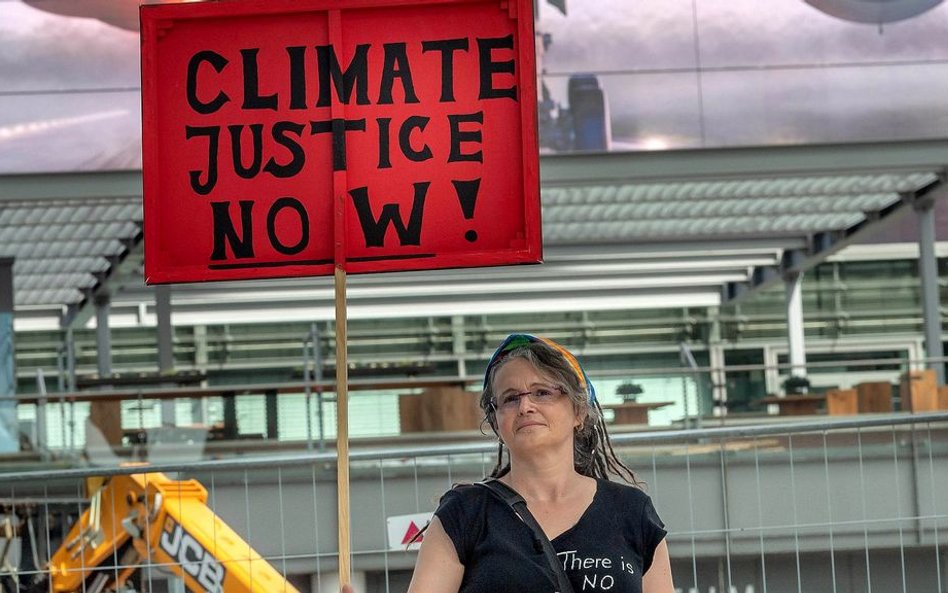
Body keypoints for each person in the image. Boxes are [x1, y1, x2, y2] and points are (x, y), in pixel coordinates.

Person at [345, 334, 674, 593]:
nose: (526, 405)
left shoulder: (632, 512)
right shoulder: (466, 514)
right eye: (510, 398)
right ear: (497, 422)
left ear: (578, 412)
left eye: (542, 392)